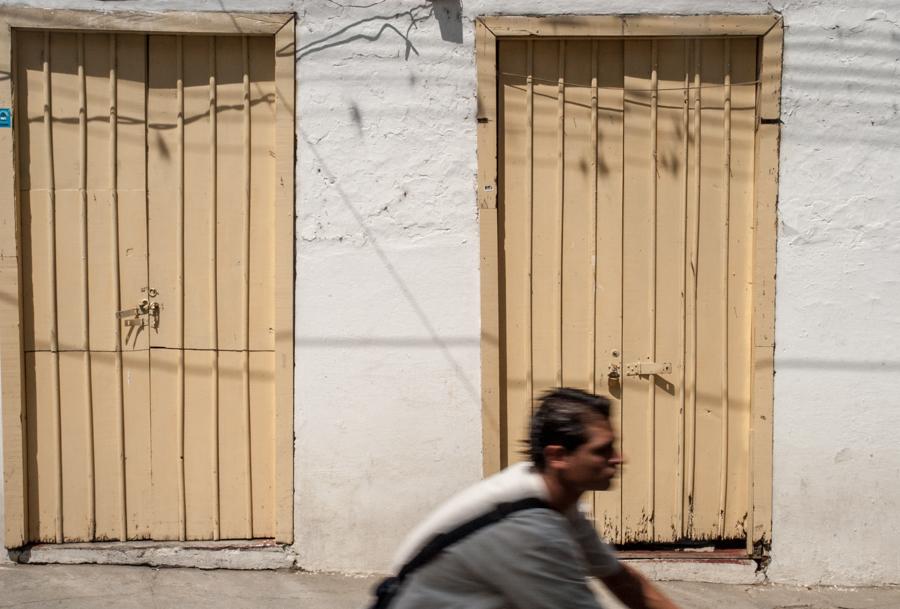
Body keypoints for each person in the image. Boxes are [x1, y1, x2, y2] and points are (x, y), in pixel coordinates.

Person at [382, 387, 683, 609]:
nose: (619, 459)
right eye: (602, 450)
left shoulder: (554, 500)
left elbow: (622, 580)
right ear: (558, 456)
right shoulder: (528, 527)